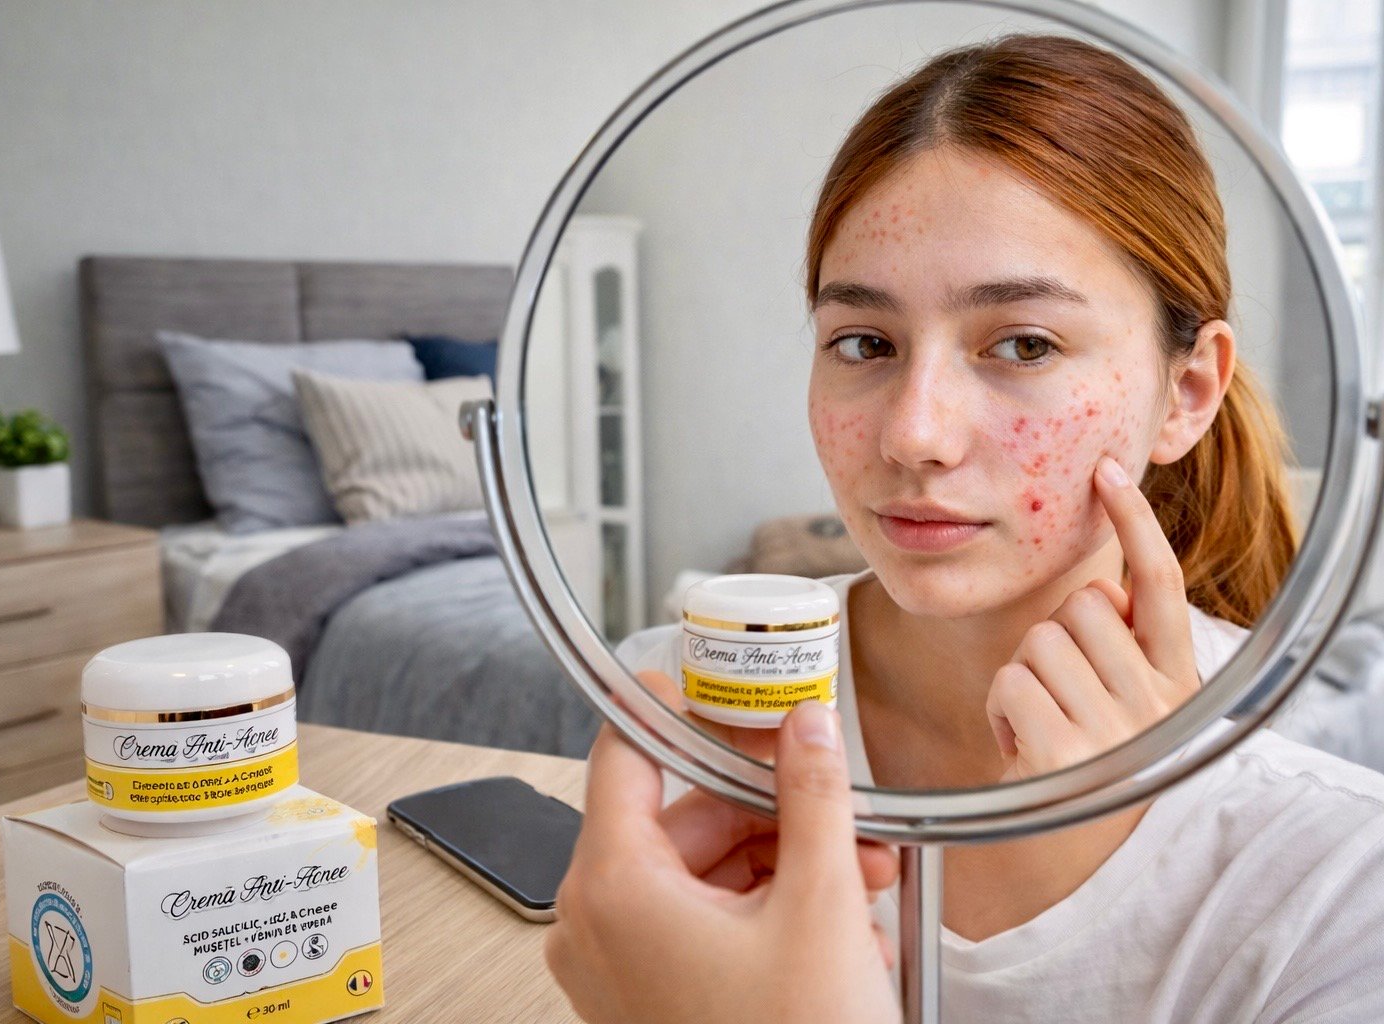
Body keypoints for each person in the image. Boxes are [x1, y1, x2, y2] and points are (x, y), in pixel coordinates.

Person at [546, 34, 1384, 1023]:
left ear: (1187, 393)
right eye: (865, 342)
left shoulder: (1339, 880)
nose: (914, 434)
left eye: (1024, 345)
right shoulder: (692, 707)